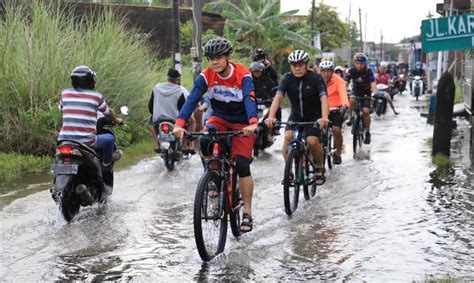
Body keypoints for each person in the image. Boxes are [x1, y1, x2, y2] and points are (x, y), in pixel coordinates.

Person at [173, 37, 258, 233]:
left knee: (243, 165)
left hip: (243, 122)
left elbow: (249, 98)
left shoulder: (243, 75)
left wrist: (253, 123)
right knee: (204, 141)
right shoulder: (207, 75)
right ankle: (213, 178)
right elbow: (192, 99)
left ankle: (247, 212)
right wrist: (179, 123)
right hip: (219, 119)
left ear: (229, 57)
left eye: (219, 57)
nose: (214, 62)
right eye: (210, 58)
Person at [265, 50, 329, 185]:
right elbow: (278, 97)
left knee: (312, 141)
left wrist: (324, 117)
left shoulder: (316, 79)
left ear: (306, 65)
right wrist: (271, 116)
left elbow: (324, 98)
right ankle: (289, 170)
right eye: (294, 65)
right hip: (296, 115)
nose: (297, 68)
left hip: (314, 116)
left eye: (300, 65)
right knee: (288, 137)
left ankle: (319, 166)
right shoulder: (287, 78)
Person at [58, 66, 123, 171]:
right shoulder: (95, 96)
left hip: (64, 141)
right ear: (91, 81)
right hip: (87, 141)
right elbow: (107, 112)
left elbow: (62, 110)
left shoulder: (65, 94)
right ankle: (106, 165)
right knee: (109, 139)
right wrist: (116, 120)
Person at [148, 68, 195, 154]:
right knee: (191, 121)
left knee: (151, 124)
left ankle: (157, 144)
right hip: (175, 119)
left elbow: (151, 105)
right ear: (177, 79)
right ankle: (185, 145)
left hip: (158, 118)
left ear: (167, 77)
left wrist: (154, 113)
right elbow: (183, 109)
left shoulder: (156, 88)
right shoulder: (179, 90)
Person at [319, 60, 349, 165]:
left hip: (336, 108)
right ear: (320, 72)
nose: (325, 74)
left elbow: (343, 94)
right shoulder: (316, 80)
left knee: (336, 130)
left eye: (328, 71)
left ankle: (338, 153)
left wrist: (344, 105)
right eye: (323, 71)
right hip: (321, 108)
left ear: (332, 72)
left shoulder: (339, 80)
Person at [345, 52, 377, 145]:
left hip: (366, 93)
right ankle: (350, 117)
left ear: (365, 63)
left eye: (361, 63)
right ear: (355, 63)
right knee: (351, 99)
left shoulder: (368, 71)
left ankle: (367, 131)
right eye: (357, 63)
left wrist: (375, 93)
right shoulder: (351, 71)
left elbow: (372, 83)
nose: (359, 65)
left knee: (366, 111)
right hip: (355, 91)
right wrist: (344, 89)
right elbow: (346, 81)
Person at [250, 61, 280, 141]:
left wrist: (273, 98)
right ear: (252, 72)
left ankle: (272, 131)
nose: (257, 73)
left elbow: (275, 91)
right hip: (253, 104)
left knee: (276, 109)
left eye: (258, 71)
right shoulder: (249, 81)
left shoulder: (269, 81)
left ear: (262, 71)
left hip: (266, 104)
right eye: (255, 71)